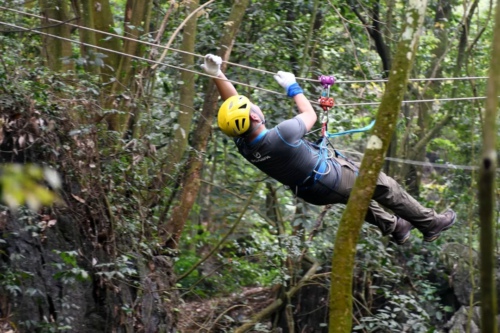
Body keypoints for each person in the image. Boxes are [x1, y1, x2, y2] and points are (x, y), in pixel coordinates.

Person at [201, 54, 456, 245]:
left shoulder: (243, 142)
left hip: (313, 190)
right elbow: (309, 113)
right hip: (329, 177)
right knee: (384, 186)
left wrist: (217, 74)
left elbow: (232, 105)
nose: (254, 106)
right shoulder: (282, 135)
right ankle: (430, 223)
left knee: (356, 196)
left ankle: (396, 228)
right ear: (255, 119)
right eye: (252, 107)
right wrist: (292, 87)